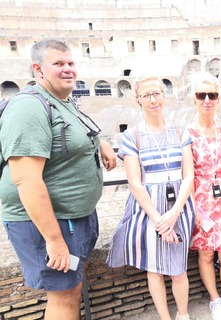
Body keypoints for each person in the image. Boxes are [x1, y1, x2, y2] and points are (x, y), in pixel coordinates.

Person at [0, 38, 116, 320]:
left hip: (73, 217)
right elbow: (26, 179)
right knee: (63, 297)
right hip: (47, 222)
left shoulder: (62, 100)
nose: (68, 70)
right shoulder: (28, 107)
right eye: (59, 64)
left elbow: (72, 133)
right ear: (38, 69)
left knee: (71, 290)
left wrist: (100, 144)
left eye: (71, 63)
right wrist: (53, 240)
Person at [106, 76, 195, 320]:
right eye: (146, 95)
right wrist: (159, 221)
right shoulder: (132, 136)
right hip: (148, 210)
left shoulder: (180, 131)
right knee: (154, 270)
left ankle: (183, 315)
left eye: (156, 93)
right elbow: (135, 183)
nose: (153, 99)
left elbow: (189, 176)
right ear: (138, 100)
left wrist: (175, 212)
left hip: (179, 206)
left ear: (164, 96)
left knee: (178, 269)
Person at [187, 73, 221, 320]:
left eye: (212, 95)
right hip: (201, 201)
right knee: (206, 253)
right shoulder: (187, 133)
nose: (207, 99)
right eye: (201, 95)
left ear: (218, 99)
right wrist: (193, 208)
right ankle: (215, 300)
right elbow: (186, 174)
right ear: (194, 99)